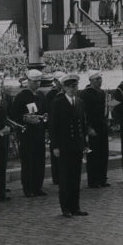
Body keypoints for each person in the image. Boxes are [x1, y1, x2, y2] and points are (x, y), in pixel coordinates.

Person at [48, 73, 89, 218]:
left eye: (75, 86)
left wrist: (84, 144)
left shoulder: (79, 102)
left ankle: (75, 206)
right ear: (64, 88)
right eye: (70, 87)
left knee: (76, 177)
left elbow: (82, 125)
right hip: (64, 146)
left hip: (76, 145)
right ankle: (65, 208)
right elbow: (53, 126)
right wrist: (55, 146)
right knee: (65, 178)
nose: (73, 89)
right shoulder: (57, 103)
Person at [9, 69, 48, 197]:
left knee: (39, 160)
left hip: (39, 132)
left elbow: (44, 111)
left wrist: (45, 118)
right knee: (28, 162)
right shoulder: (22, 96)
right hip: (27, 134)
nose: (38, 83)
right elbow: (14, 115)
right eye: (35, 81)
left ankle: (38, 187)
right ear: (29, 81)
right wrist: (25, 119)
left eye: (39, 81)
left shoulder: (41, 95)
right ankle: (28, 188)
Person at [80, 71, 110, 188]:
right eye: (96, 79)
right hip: (92, 127)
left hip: (102, 126)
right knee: (94, 155)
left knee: (103, 153)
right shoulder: (86, 94)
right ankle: (93, 180)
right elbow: (83, 113)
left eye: (100, 79)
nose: (99, 81)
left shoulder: (102, 93)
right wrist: (88, 127)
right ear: (91, 81)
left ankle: (102, 178)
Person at [46, 72, 65, 186]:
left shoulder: (64, 93)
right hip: (56, 126)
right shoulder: (51, 94)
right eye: (60, 82)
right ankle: (56, 177)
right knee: (56, 151)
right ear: (56, 82)